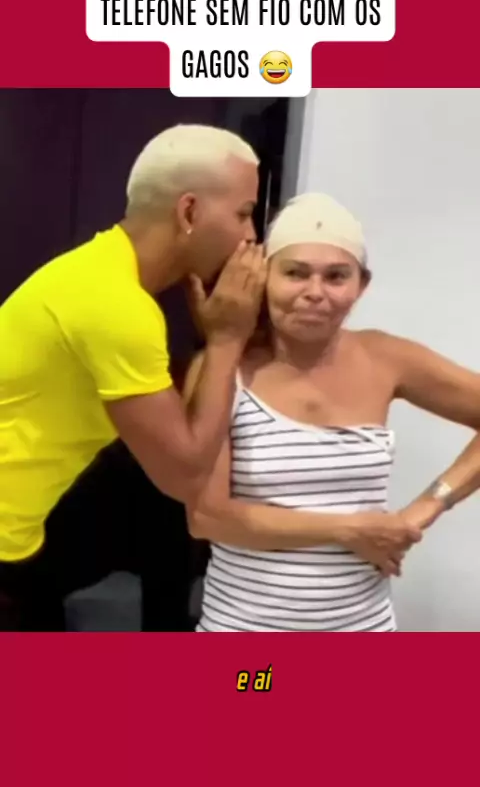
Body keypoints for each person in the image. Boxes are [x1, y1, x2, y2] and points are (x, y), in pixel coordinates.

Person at [0, 124, 266, 631]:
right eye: (243, 213)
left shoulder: (99, 273)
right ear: (189, 212)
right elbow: (184, 477)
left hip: (20, 537)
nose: (251, 236)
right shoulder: (114, 303)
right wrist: (227, 339)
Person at [182, 192, 480, 632]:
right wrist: (349, 530)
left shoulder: (386, 358)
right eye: (295, 273)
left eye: (336, 276)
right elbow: (207, 518)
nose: (314, 293)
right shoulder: (223, 369)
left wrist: (423, 509)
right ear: (265, 277)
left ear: (361, 284)